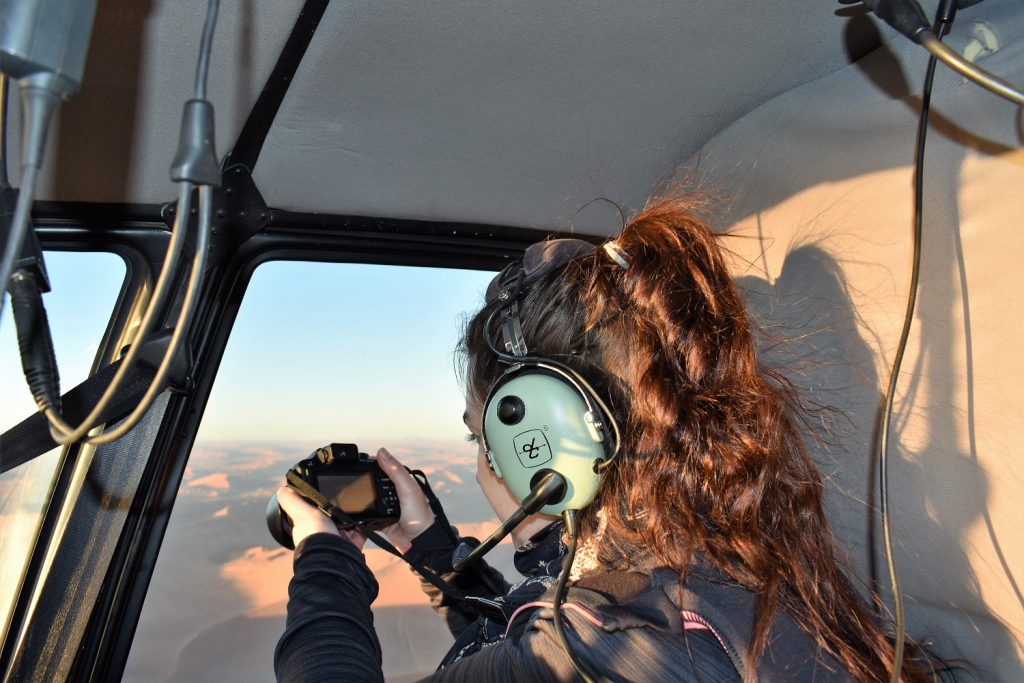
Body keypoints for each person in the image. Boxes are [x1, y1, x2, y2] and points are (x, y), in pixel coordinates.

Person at [273, 195, 937, 682]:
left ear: (544, 440)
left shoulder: (608, 649)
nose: (485, 461)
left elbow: (538, 640)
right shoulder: (732, 566)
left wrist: (325, 555)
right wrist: (433, 543)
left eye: (487, 433)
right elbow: (526, 617)